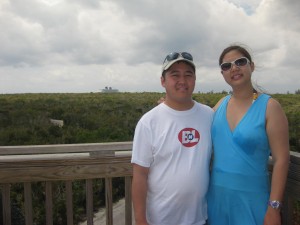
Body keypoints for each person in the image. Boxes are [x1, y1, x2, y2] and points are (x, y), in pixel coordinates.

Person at [207, 44, 290, 225]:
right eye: (226, 65)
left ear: (251, 66)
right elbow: (194, 121)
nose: (234, 68)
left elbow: (282, 160)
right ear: (222, 74)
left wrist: (274, 208)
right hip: (216, 201)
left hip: (253, 202)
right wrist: (170, 108)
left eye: (240, 62)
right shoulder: (220, 104)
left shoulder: (270, 107)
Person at [131, 52, 214, 225]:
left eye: (188, 75)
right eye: (175, 75)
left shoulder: (209, 116)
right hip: (160, 220)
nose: (182, 81)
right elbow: (139, 175)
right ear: (163, 81)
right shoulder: (149, 122)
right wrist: (140, 220)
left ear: (195, 79)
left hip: (200, 219)